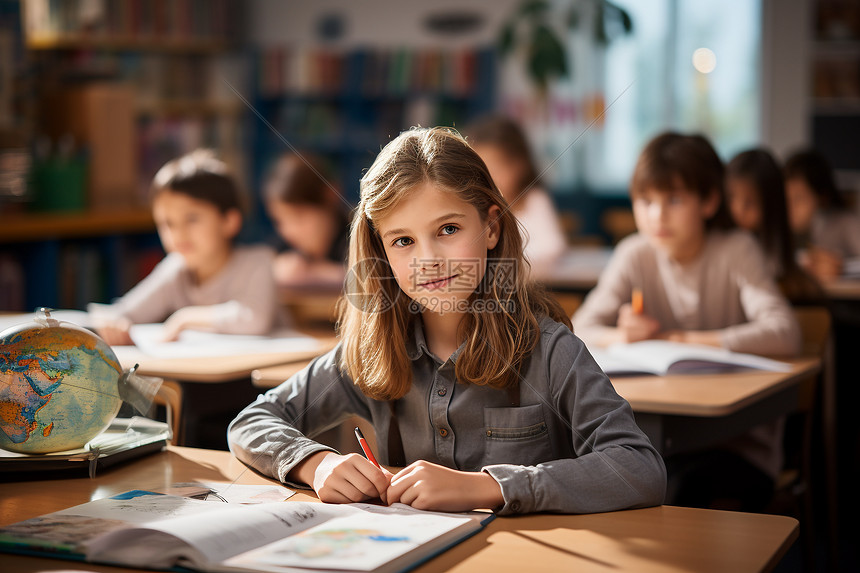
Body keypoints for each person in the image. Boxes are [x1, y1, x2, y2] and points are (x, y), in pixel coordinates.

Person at [228, 127, 666, 515]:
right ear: (382, 254)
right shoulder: (373, 352)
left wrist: (490, 486)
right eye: (403, 240)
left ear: (491, 228)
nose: (429, 261)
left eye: (448, 230)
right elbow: (252, 421)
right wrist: (315, 462)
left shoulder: (549, 351)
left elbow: (639, 467)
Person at [573, 132, 801, 512]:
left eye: (674, 200)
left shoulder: (737, 250)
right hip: (655, 440)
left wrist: (679, 339)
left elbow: (784, 332)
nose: (657, 215)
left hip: (741, 445)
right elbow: (579, 329)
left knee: (673, 487)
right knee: (609, 476)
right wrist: (622, 335)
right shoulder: (635, 253)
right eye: (646, 201)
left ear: (709, 201)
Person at [91, 149, 283, 346]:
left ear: (229, 221)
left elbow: (254, 319)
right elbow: (124, 312)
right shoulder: (175, 268)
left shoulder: (258, 262)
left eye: (192, 219)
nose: (178, 235)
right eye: (168, 223)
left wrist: (185, 318)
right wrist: (113, 323)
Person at [464, 114, 567, 277]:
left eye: (495, 169)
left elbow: (553, 247)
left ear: (520, 165)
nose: (488, 178)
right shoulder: (472, 206)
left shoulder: (534, 200)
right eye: (479, 170)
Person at [726, 148, 823, 304]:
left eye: (750, 202)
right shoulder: (719, 246)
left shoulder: (775, 262)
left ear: (772, 205)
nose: (738, 210)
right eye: (730, 198)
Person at [263, 152, 351, 288]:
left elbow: (371, 278)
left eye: (299, 216)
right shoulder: (283, 247)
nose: (290, 231)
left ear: (330, 196)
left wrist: (314, 272)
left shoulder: (359, 237)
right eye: (279, 221)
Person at [783, 148, 860, 282]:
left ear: (822, 197)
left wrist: (842, 269)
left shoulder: (846, 223)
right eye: (785, 199)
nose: (790, 208)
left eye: (798, 199)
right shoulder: (780, 230)